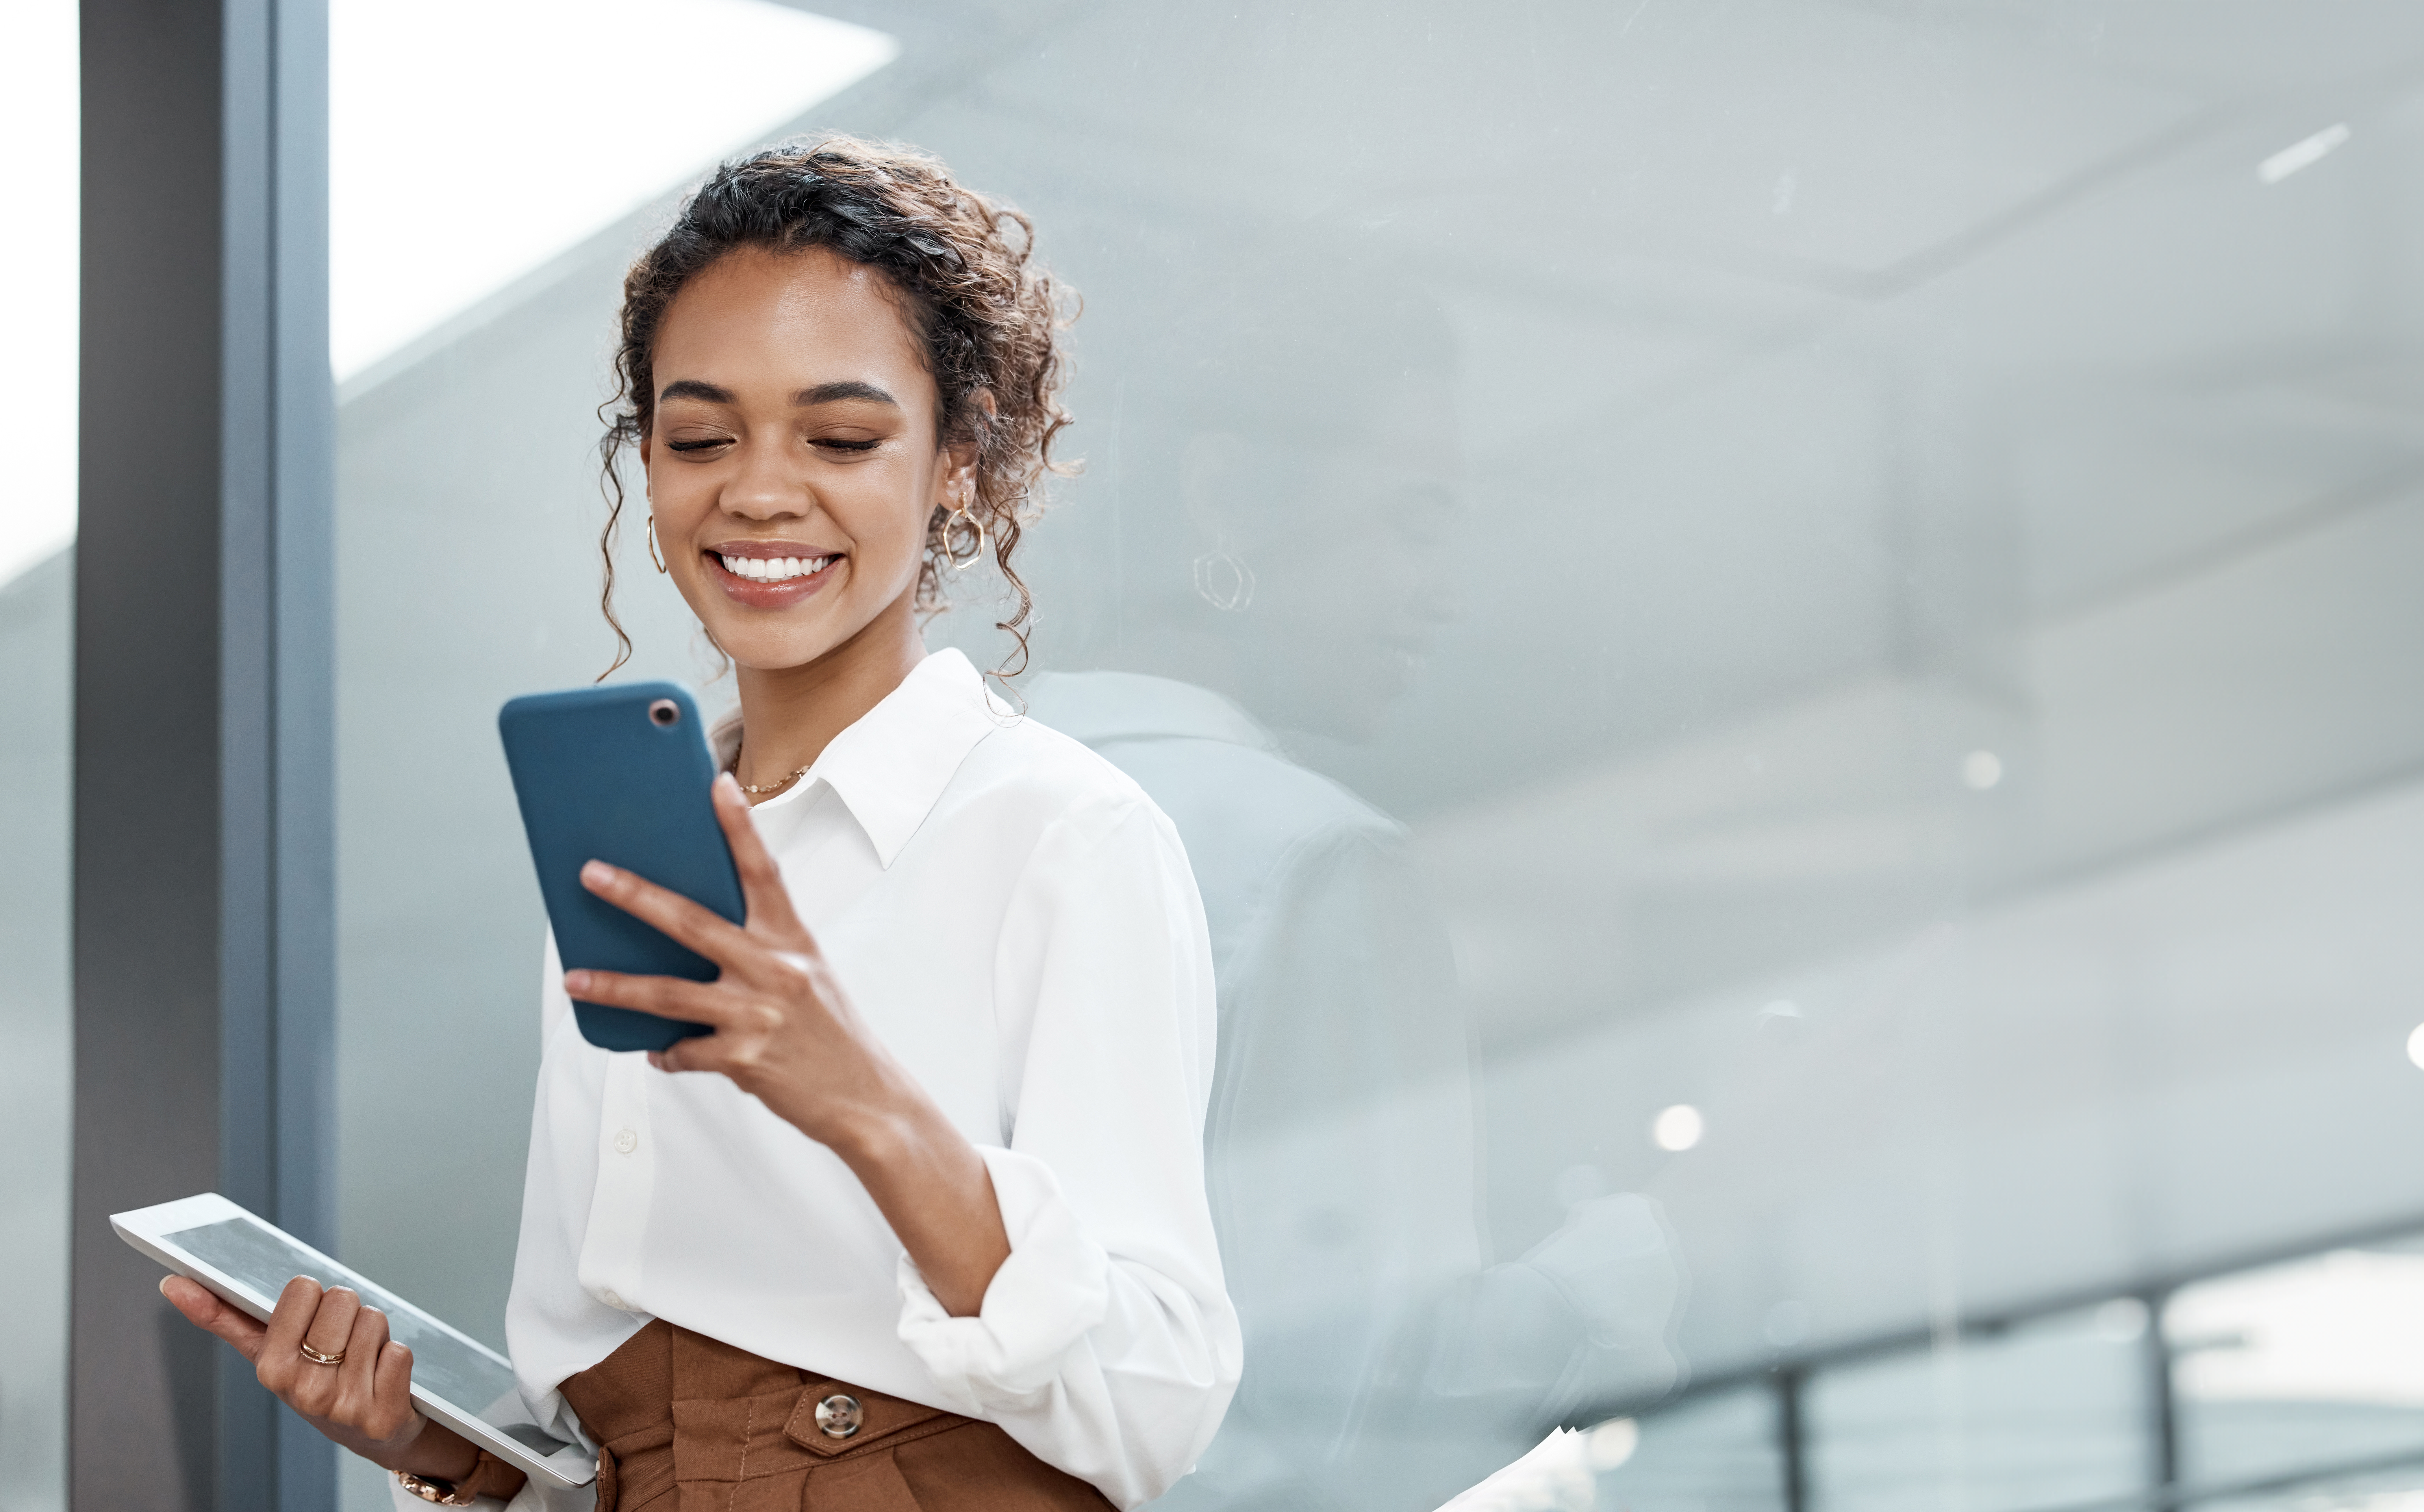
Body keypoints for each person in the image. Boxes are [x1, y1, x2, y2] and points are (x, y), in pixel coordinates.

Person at [158, 138, 1241, 1511]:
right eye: (700, 436)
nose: (760, 492)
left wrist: (853, 1093)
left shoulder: (1062, 834)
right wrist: (439, 1447)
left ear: (960, 460)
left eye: (842, 438)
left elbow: (1158, 1399)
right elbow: (597, 1414)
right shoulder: (621, 866)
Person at [1021, 231, 1681, 1512]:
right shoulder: (1301, 861)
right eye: (1410, 520)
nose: (1439, 592)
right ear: (1226, 502)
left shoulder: (914, 806)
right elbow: (1349, 1419)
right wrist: (1653, 1256)